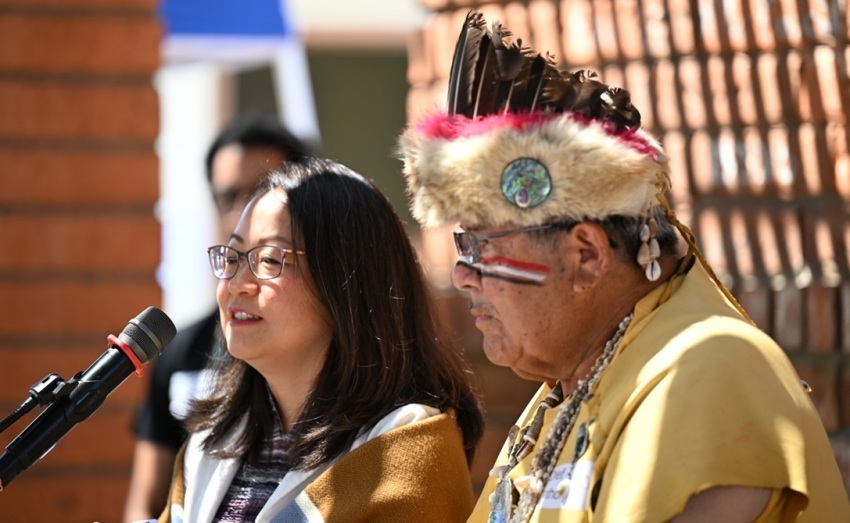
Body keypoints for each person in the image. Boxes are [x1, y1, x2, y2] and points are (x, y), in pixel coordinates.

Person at [398, 12, 850, 522]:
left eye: (481, 245)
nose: (462, 274)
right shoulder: (571, 385)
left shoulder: (709, 366)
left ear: (586, 256)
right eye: (462, 247)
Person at [156, 157, 485, 522]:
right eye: (232, 257)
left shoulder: (408, 449)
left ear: (349, 283)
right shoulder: (206, 448)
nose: (236, 284)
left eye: (268, 260)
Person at [124, 113, 313, 523]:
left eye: (262, 192)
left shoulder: (392, 432)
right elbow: (144, 503)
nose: (244, 212)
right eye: (228, 197)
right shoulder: (179, 351)